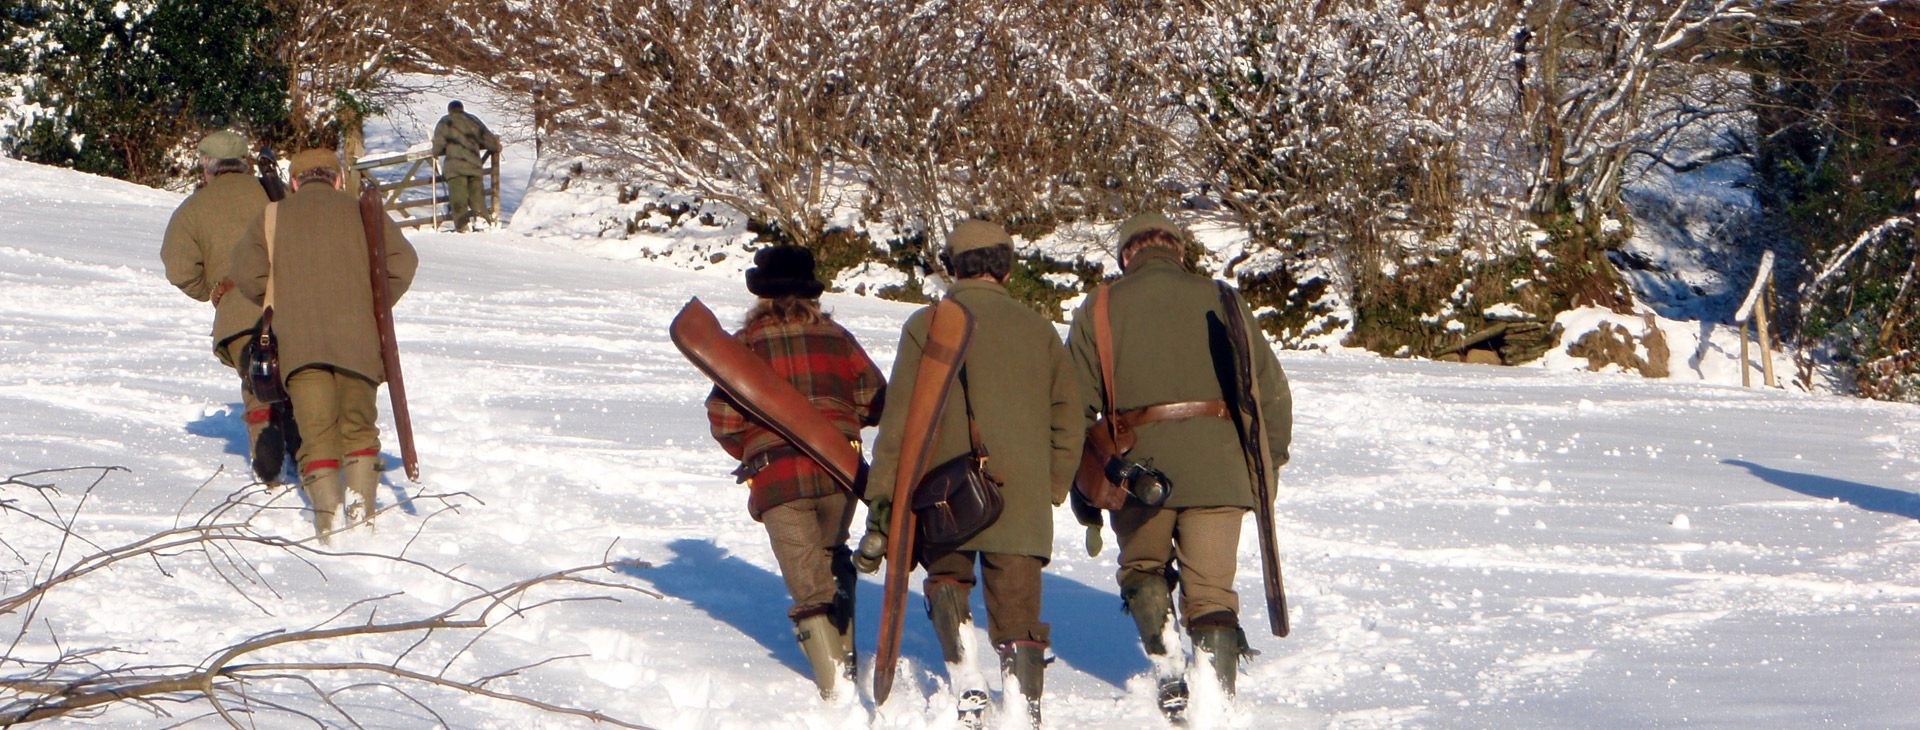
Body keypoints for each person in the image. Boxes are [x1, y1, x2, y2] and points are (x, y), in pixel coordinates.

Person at [1064, 212, 1291, 714]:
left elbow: (1072, 402)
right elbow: (1268, 390)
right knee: (1211, 591)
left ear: (1127, 255)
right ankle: (1217, 702)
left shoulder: (1101, 306)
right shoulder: (1223, 298)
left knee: (1142, 568)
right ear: (1178, 251)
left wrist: (1075, 475)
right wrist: (1267, 464)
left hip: (1137, 472)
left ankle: (1168, 670)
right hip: (1221, 471)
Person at [859, 220, 1080, 728]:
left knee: (946, 580)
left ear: (954, 266)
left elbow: (899, 421)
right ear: (1005, 267)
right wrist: (1053, 484)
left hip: (942, 489)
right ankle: (1025, 710)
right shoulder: (1038, 329)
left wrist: (884, 500)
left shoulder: (926, 324)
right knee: (1020, 609)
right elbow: (1070, 415)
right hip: (1019, 491)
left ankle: (968, 686)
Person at [704, 245, 886, 702]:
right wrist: (839, 422)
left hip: (779, 479)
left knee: (809, 590)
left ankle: (837, 697)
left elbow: (723, 420)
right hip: (840, 473)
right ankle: (848, 664)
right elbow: (875, 399)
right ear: (812, 294)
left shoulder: (743, 347)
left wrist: (753, 449)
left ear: (761, 296)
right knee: (832, 552)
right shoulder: (838, 337)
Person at [230, 149, 419, 540]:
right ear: (337, 179)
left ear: (295, 182)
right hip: (358, 341)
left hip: (300, 344)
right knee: (360, 428)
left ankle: (328, 521)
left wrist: (277, 302)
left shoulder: (273, 215)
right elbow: (403, 262)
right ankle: (363, 513)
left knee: (316, 433)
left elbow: (246, 273)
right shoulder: (362, 211)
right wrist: (373, 303)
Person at [161, 130, 283, 482]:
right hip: (293, 304)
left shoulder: (193, 208)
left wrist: (212, 292)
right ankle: (312, 464)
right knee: (297, 378)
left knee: (258, 384)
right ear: (245, 161)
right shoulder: (272, 192)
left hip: (240, 316)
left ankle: (270, 474)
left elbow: (179, 267)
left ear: (205, 165)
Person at [430, 100, 501, 232]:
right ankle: (482, 220)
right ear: (462, 109)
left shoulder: (446, 121)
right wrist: (496, 146)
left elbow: (438, 145)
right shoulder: (473, 120)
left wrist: (435, 150)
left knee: (458, 197)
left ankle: (463, 225)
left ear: (449, 110)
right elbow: (489, 140)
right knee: (477, 194)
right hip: (474, 164)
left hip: (455, 165)